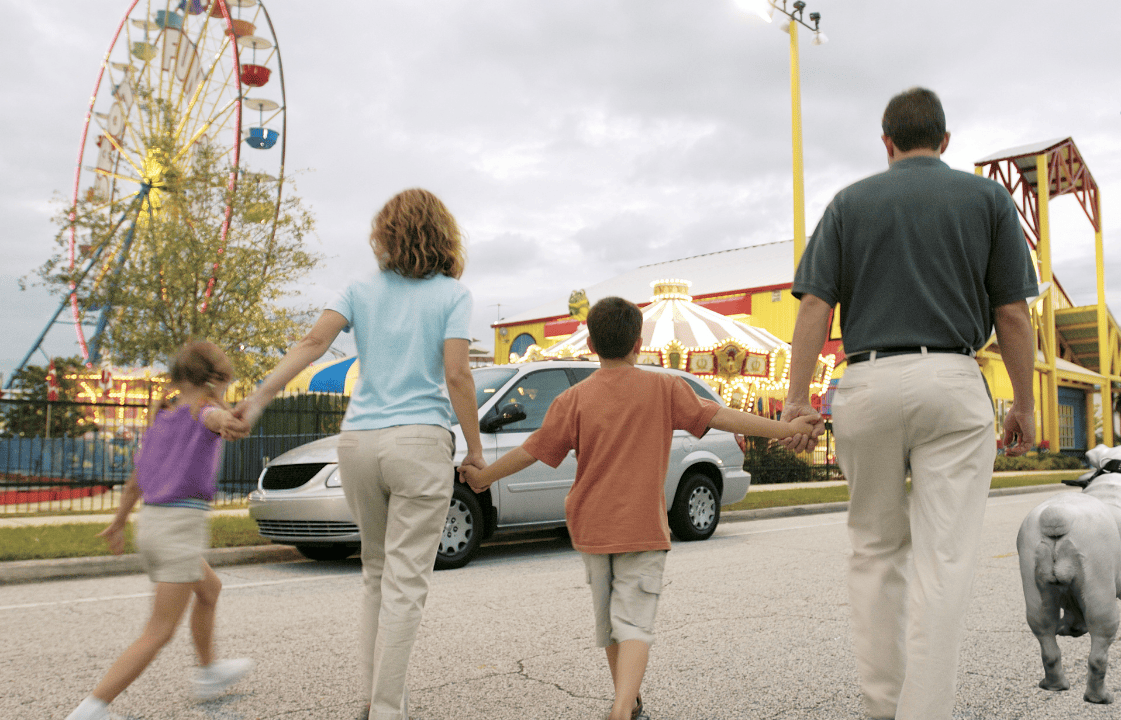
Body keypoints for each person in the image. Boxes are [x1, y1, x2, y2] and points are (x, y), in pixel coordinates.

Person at [781, 87, 1038, 720]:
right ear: (945, 142)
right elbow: (1011, 311)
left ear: (886, 142)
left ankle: (880, 709)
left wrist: (794, 400)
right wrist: (1024, 405)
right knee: (943, 559)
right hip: (951, 379)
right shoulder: (987, 200)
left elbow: (815, 305)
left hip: (865, 382)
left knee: (873, 550)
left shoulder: (849, 202)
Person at [460, 296, 824, 720]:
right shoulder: (664, 388)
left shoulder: (572, 400)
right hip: (641, 527)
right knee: (634, 622)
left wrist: (484, 478)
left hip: (591, 529)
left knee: (613, 625)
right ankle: (620, 710)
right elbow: (723, 417)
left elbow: (531, 451)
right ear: (638, 341)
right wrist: (786, 428)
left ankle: (628, 704)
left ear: (592, 345)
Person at [233, 188, 486, 720]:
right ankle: (387, 710)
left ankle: (378, 701)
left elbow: (311, 344)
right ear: (443, 234)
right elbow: (458, 375)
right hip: (418, 441)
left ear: (385, 234)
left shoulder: (358, 288)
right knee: (406, 581)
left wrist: (257, 398)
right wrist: (477, 450)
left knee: (375, 573)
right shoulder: (452, 294)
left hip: (359, 442)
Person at [66, 341, 254, 720]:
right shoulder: (207, 409)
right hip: (179, 528)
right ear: (216, 379)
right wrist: (229, 422)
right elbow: (215, 420)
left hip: (151, 524)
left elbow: (137, 479)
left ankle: (207, 674)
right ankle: (91, 710)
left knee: (210, 588)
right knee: (159, 631)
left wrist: (118, 523)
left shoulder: (163, 416)